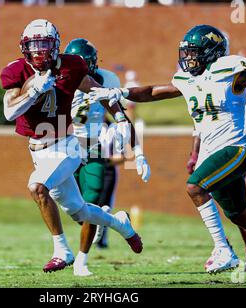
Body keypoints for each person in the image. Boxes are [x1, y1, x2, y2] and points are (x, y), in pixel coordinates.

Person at [90, 25, 246, 284]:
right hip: (211, 151)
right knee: (239, 214)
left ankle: (223, 249)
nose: (188, 58)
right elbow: (154, 91)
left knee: (195, 186)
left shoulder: (229, 70)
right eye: (186, 52)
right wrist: (120, 92)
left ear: (212, 52)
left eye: (194, 52)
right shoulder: (188, 80)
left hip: (234, 148)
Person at [0, 19, 144, 273]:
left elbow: (99, 92)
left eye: (44, 44)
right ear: (24, 47)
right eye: (33, 45)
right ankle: (120, 223)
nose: (39, 51)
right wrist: (33, 91)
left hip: (66, 146)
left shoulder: (72, 65)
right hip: (38, 150)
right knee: (80, 211)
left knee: (37, 187)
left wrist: (120, 118)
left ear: (56, 45)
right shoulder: (16, 71)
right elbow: (10, 112)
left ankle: (62, 250)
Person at [64, 38, 150, 276]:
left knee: (90, 204)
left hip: (93, 146)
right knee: (75, 210)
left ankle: (81, 262)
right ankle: (116, 221)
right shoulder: (59, 76)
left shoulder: (108, 79)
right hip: (65, 145)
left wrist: (138, 152)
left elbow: (120, 115)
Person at [188, 88, 246, 273]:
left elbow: (243, 128)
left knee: (234, 207)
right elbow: (199, 127)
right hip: (211, 151)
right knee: (205, 195)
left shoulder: (237, 97)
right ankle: (223, 247)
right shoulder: (205, 88)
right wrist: (195, 155)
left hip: (231, 152)